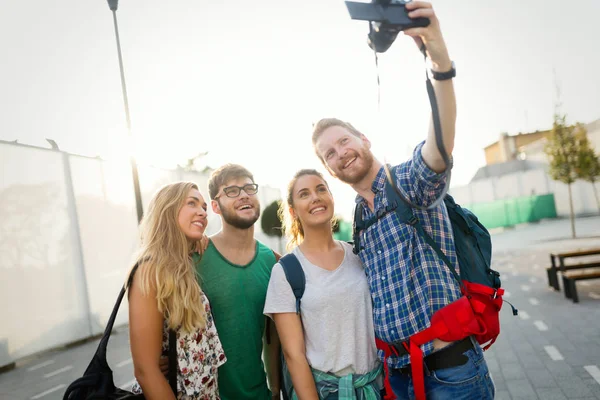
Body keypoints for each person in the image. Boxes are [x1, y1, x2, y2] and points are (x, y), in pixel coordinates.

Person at [310, 2, 495, 399]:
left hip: (451, 374)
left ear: (365, 140)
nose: (340, 152)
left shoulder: (407, 181)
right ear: (330, 170)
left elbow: (440, 145)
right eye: (329, 153)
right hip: (398, 378)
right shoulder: (358, 218)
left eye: (344, 140)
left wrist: (437, 57)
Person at [264, 169, 382, 399]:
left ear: (331, 197)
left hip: (376, 388)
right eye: (304, 194)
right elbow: (293, 355)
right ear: (293, 211)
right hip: (324, 393)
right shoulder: (286, 272)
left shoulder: (360, 255)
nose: (315, 197)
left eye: (321, 189)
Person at [128, 182, 226, 399]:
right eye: (192, 203)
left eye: (204, 208)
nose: (202, 211)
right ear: (167, 210)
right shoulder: (150, 270)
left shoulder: (181, 266)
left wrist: (198, 239)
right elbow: (146, 370)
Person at [193, 164, 281, 400]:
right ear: (215, 206)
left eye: (249, 188)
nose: (243, 194)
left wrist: (274, 390)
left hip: (259, 394)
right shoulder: (194, 257)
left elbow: (272, 335)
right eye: (231, 190)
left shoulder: (273, 262)